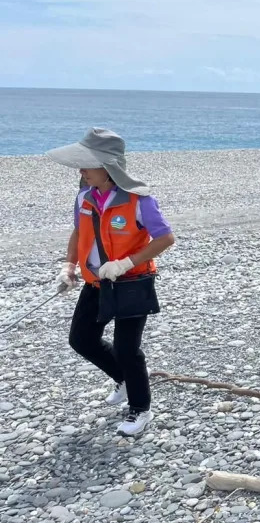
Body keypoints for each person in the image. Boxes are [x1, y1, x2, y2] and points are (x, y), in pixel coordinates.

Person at [47, 128, 175, 437]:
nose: (81, 171)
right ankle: (124, 380)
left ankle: (141, 408)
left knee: (127, 347)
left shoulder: (139, 200)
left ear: (108, 167)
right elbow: (79, 233)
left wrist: (126, 262)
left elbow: (166, 238)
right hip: (96, 282)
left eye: (87, 164)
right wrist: (69, 266)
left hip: (132, 282)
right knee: (81, 339)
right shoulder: (84, 197)